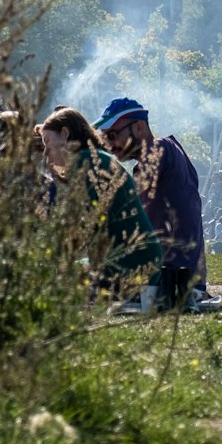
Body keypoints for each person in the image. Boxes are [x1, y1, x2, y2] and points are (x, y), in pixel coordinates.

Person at [94, 97, 211, 312]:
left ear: (139, 127)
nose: (109, 145)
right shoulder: (173, 149)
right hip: (187, 276)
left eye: (112, 135)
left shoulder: (156, 152)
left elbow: (123, 214)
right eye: (104, 138)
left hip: (167, 280)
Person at [39, 107, 161, 305]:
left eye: (47, 142)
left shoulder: (85, 163)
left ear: (65, 133)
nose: (45, 152)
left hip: (131, 265)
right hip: (141, 261)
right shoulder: (92, 159)